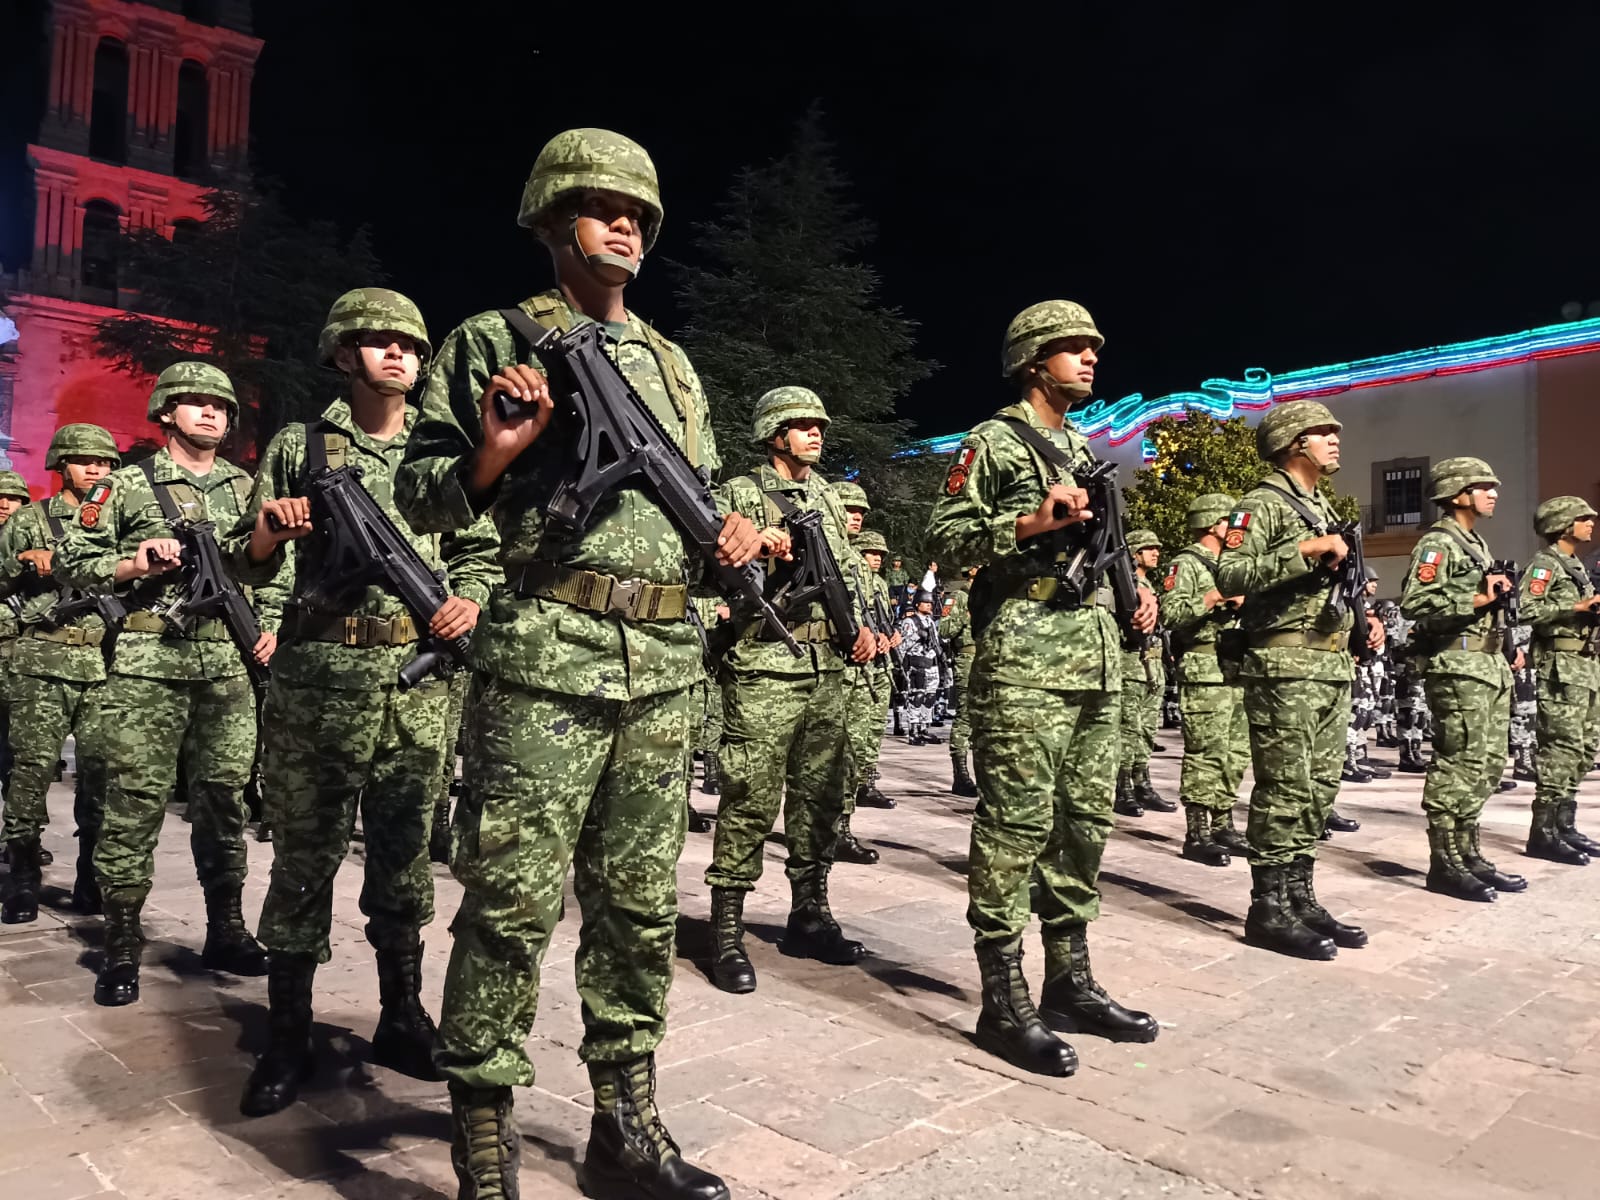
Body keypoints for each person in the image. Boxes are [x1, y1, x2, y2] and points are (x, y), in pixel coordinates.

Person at [395, 127, 754, 1200]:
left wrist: (734, 534)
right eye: (602, 208)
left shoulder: (674, 365)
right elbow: (417, 496)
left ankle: (624, 1123)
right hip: (547, 657)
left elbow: (701, 494)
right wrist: (498, 450)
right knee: (510, 903)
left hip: (663, 666)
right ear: (552, 220)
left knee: (640, 908)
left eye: (639, 213)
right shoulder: (495, 340)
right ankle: (484, 1133)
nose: (625, 226)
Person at [227, 288, 500, 1117]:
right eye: (379, 343)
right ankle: (287, 1034)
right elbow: (243, 560)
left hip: (417, 684)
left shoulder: (441, 450)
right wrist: (270, 530)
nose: (398, 356)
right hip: (319, 681)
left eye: (409, 346)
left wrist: (472, 600)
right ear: (344, 354)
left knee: (404, 856)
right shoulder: (302, 444)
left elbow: (481, 549)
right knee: (303, 860)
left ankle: (403, 1015)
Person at [927, 299, 1160, 1079]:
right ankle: (1003, 997)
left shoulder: (1083, 446)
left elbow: (1109, 544)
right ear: (1033, 361)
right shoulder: (993, 441)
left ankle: (1070, 980)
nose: (1091, 358)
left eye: (1094, 347)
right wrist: (1029, 522)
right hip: (1025, 654)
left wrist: (1134, 594)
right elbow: (943, 537)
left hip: (1094, 654)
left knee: (1084, 823)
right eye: (1073, 347)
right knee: (1016, 824)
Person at [56, 362, 279, 1006]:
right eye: (195, 402)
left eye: (221, 405)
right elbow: (73, 558)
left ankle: (226, 928)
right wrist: (134, 562)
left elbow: (278, 566)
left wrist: (270, 623)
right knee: (134, 803)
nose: (211, 413)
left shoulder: (245, 486)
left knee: (224, 802)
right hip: (147, 667)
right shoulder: (125, 485)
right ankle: (122, 941)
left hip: (227, 668)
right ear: (165, 412)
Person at [705, 386, 877, 995]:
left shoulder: (828, 495)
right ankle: (726, 928)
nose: (816, 433)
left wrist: (862, 626)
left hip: (828, 666)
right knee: (750, 793)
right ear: (774, 434)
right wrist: (760, 543)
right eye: (802, 425)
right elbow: (708, 567)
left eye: (819, 425)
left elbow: (848, 571)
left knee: (820, 796)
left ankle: (810, 913)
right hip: (766, 663)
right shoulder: (738, 493)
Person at [1215, 399, 1383, 961]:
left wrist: (1364, 621)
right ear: (1293, 443)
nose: (1335, 438)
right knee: (1284, 787)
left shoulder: (1322, 506)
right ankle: (1267, 907)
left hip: (1330, 664)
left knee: (1318, 788)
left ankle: (1300, 896)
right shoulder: (1260, 504)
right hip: (1284, 663)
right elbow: (1231, 574)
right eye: (1322, 431)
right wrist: (1306, 550)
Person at [0, 426, 119, 923]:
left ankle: (91, 880)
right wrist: (21, 561)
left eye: (104, 462)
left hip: (102, 666)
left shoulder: (117, 517)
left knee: (100, 778)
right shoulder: (30, 520)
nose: (95, 469)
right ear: (60, 464)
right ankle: (23, 879)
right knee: (30, 774)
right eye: (83, 460)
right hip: (40, 663)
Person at [1398, 458, 1525, 901]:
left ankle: (1468, 852)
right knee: (1458, 763)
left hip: (1487, 665)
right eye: (1484, 486)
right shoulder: (1438, 543)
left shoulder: (1476, 544)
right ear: (1458, 494)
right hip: (1458, 666)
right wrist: (1476, 598)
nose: (1494, 494)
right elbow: (1415, 601)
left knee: (1487, 764)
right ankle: (1444, 861)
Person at [1158, 493, 1250, 866]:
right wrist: (1211, 599)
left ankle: (1223, 823)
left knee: (1236, 752)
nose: (1237, 529)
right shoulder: (1186, 564)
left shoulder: (1234, 564)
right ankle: (1197, 833)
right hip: (1205, 668)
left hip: (1236, 667)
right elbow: (1169, 614)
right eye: (1230, 521)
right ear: (1212, 524)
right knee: (1205, 753)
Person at [1520, 496, 1600, 865]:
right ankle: (1543, 833)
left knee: (1584, 748)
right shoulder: (1545, 564)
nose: (1590, 523)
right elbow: (1525, 609)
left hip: (1585, 665)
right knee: (1560, 749)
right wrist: (1576, 608)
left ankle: (1564, 825)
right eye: (1583, 518)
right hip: (1559, 667)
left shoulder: (1576, 566)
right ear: (1563, 525)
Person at [832, 481, 895, 860]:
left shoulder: (857, 566)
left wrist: (881, 637)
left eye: (861, 512)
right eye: (849, 509)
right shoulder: (820, 549)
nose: (856, 517)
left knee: (852, 750)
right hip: (824, 666)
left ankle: (839, 828)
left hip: (858, 668)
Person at [1116, 530, 1173, 817]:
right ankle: (1123, 787)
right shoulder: (1126, 585)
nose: (1155, 553)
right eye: (1148, 548)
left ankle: (1142, 782)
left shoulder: (1148, 584)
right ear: (1134, 553)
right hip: (1132, 664)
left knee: (1147, 729)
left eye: (1156, 548)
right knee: (1129, 729)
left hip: (1152, 666)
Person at [0, 469, 33, 797]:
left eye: (13, 499)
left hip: (20, 653)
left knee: (16, 739)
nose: (4, 504)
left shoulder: (37, 540)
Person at [940, 564, 979, 797]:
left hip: (990, 659)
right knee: (965, 714)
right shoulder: (958, 596)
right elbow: (944, 629)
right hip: (968, 657)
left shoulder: (991, 594)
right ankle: (961, 774)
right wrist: (966, 616)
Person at [899, 589, 943, 745]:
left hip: (931, 663)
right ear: (917, 604)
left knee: (930, 697)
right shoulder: (910, 622)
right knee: (916, 697)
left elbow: (935, 641)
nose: (929, 605)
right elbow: (902, 645)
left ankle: (924, 728)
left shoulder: (930, 621)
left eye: (930, 603)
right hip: (916, 664)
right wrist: (917, 635)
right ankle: (913, 730)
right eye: (925, 602)